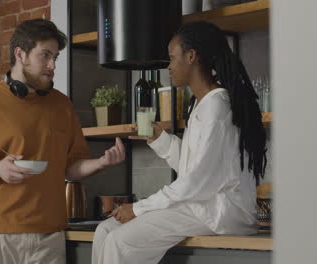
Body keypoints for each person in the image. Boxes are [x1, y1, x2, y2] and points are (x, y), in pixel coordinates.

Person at [92, 21, 267, 264]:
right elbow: (192, 168)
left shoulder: (216, 106)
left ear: (192, 56)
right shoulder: (200, 104)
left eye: (173, 58)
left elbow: (196, 181)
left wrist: (138, 208)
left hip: (218, 212)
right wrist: (159, 138)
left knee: (121, 241)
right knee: (105, 230)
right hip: (200, 205)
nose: (169, 66)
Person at [0, 19, 125, 264]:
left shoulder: (62, 105)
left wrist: (99, 163)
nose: (52, 64)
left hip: (49, 235)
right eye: (45, 55)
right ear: (20, 54)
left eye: (55, 57)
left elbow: (70, 167)